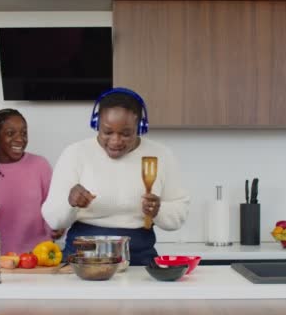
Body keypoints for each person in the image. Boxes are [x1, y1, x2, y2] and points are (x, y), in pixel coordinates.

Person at [41, 88, 190, 265]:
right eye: (107, 132)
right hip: (83, 258)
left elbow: (179, 213)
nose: (115, 141)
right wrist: (69, 202)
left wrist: (159, 211)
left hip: (138, 257)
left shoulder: (161, 155)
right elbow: (53, 220)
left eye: (126, 133)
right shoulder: (75, 154)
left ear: (140, 127)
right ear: (96, 124)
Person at [0, 109, 63, 255]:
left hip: (38, 257)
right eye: (11, 133)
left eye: (24, 133)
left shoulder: (40, 165)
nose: (20, 139)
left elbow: (53, 209)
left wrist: (58, 228)